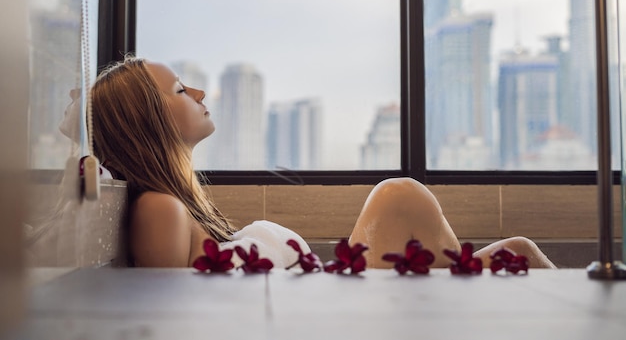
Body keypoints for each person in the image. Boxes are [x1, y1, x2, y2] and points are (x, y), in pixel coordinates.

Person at [91, 56, 556, 269]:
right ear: (146, 121)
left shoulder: (179, 205)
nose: (199, 93)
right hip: (327, 317)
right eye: (179, 90)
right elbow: (162, 320)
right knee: (399, 195)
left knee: (519, 249)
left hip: (329, 304)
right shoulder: (160, 209)